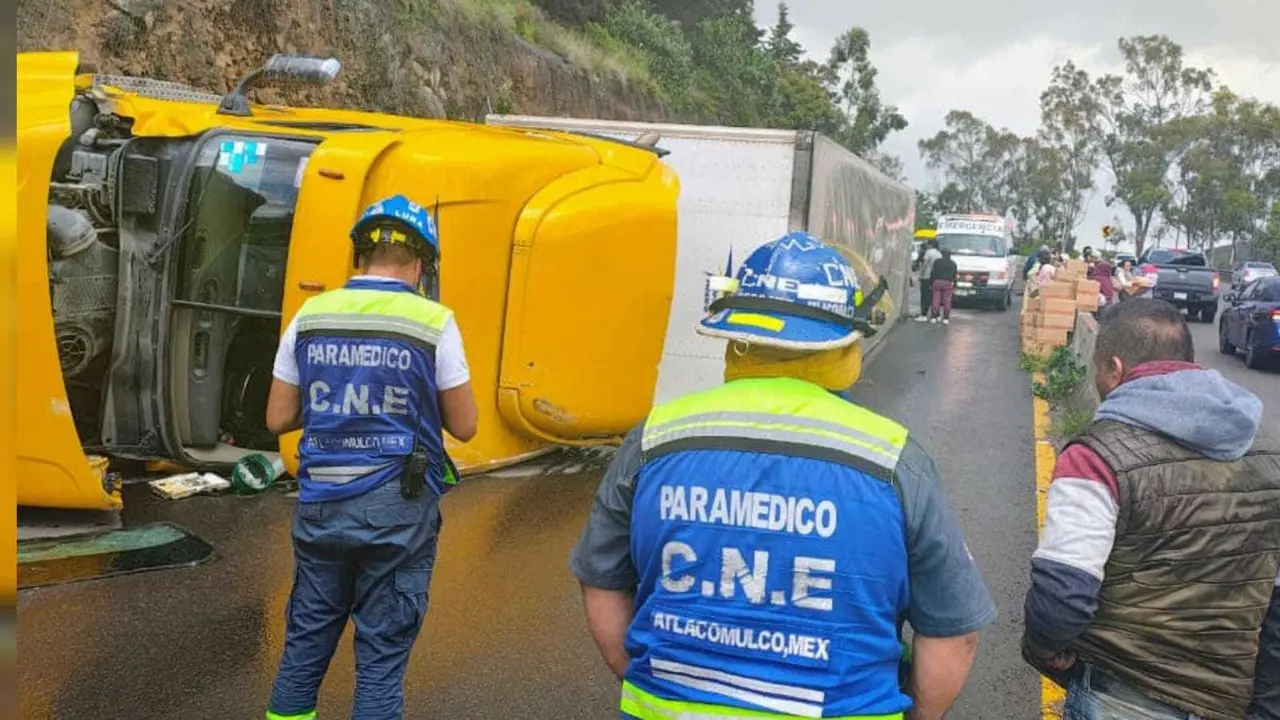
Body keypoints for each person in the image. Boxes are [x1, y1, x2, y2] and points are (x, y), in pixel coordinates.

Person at [570, 231, 997, 720]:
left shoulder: (654, 438)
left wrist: (646, 680)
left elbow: (601, 580)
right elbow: (953, 632)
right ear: (844, 341)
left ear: (738, 336)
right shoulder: (893, 460)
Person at [264, 194, 479, 720]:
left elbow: (277, 418)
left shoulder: (310, 315)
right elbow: (466, 426)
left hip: (320, 504)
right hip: (396, 512)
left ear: (361, 254)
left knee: (304, 649)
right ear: (422, 262)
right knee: (380, 661)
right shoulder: (433, 322)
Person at [1022, 298, 1280, 720]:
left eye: (1097, 370)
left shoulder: (1097, 455)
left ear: (1116, 369)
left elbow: (1063, 594)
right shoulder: (1268, 452)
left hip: (1125, 693)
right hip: (1229, 698)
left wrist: (1043, 650)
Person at [914, 239, 942, 322]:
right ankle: (936, 315)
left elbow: (925, 264)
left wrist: (919, 274)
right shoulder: (939, 253)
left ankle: (923, 315)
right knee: (934, 296)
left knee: (924, 296)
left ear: (930, 245)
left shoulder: (929, 252)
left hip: (926, 276)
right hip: (935, 278)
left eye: (928, 244)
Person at [929, 248, 958, 325]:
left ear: (942, 254)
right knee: (947, 301)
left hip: (937, 282)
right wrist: (955, 285)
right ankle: (945, 318)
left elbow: (932, 273)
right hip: (948, 283)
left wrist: (931, 283)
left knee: (935, 300)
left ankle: (934, 317)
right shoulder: (953, 264)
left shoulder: (937, 262)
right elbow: (954, 276)